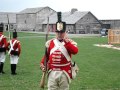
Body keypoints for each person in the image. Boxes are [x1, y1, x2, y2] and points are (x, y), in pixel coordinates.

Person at [40, 12, 78, 90]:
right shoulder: (50, 43)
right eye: (58, 32)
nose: (59, 34)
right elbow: (47, 56)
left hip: (64, 72)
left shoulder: (69, 42)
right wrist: (42, 64)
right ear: (55, 32)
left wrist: (67, 42)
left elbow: (75, 51)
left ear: (65, 32)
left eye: (61, 32)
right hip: (52, 72)